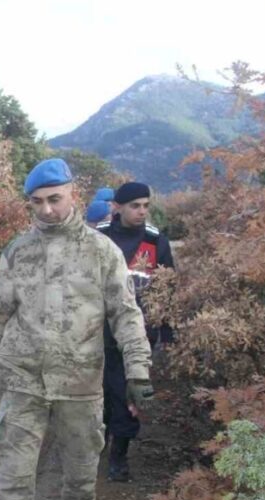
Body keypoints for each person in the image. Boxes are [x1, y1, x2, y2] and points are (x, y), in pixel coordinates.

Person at [0, 159, 153, 500]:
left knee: (82, 465)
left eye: (55, 199)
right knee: (14, 472)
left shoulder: (101, 251)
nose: (47, 210)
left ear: (73, 195)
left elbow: (125, 313)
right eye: (37, 202)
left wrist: (137, 369)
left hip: (80, 380)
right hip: (23, 377)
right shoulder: (17, 251)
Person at [96, 181, 175, 481]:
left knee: (129, 393)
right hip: (97, 331)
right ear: (118, 207)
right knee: (100, 390)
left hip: (139, 335)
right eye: (135, 206)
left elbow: (168, 290)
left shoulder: (156, 243)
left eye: (145, 205)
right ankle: (98, 438)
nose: (142, 211)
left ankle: (120, 455)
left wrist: (167, 333)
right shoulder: (99, 237)